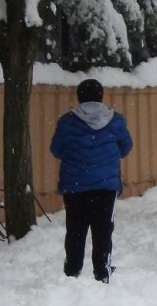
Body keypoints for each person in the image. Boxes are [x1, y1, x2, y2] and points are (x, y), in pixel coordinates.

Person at [50, 79, 133, 284]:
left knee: (75, 230)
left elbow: (56, 150)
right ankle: (102, 271)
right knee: (103, 229)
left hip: (75, 186)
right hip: (106, 187)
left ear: (79, 97)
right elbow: (126, 147)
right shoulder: (116, 121)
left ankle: (72, 270)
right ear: (101, 96)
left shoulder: (67, 122)